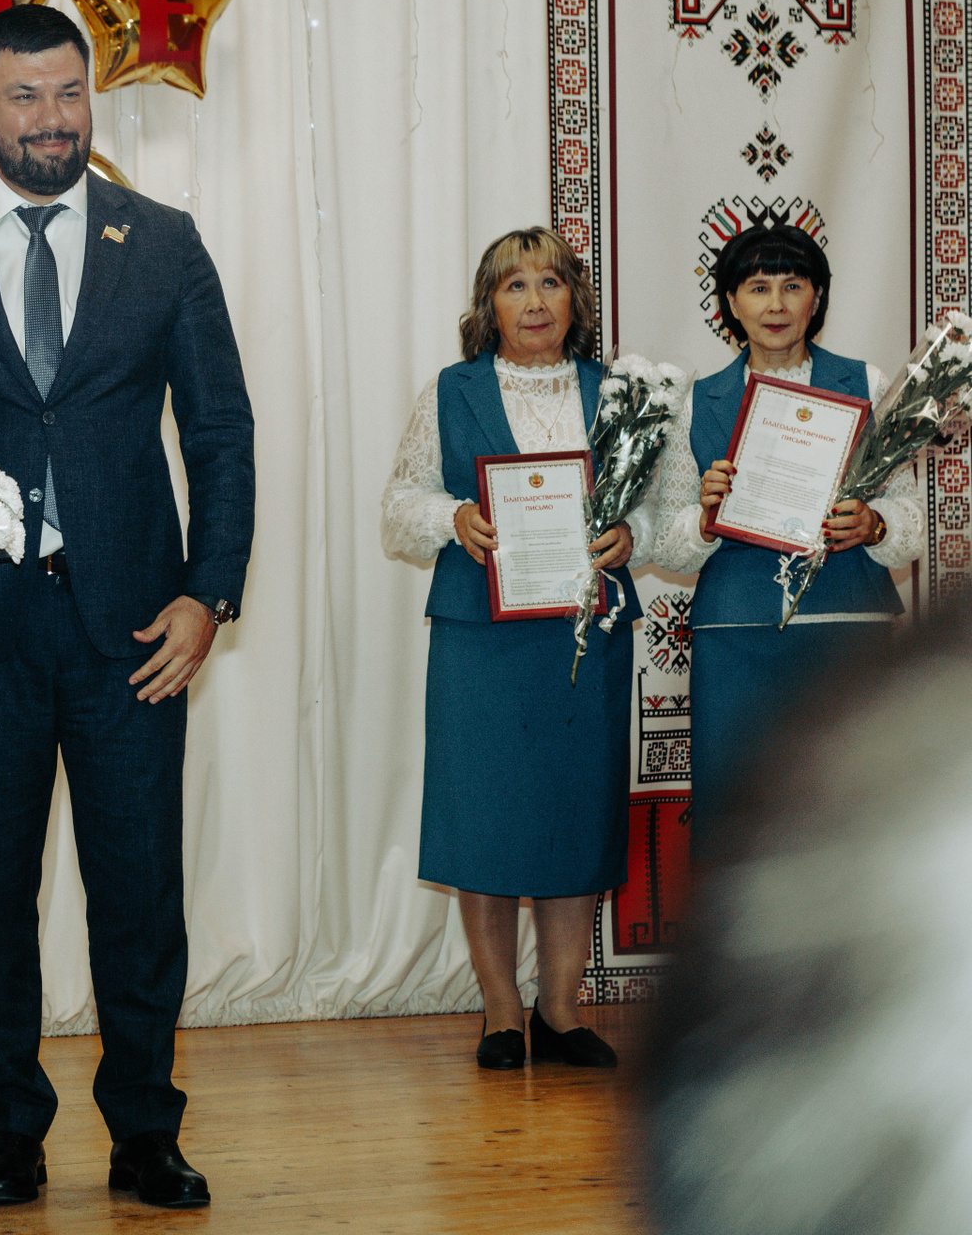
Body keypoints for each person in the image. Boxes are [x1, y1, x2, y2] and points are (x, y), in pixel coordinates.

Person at [0, 2, 254, 1212]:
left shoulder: (164, 241)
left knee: (141, 894)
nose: (51, 120)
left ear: (92, 96)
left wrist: (208, 594)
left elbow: (221, 431)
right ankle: (11, 1130)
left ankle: (146, 1129)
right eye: (25, 96)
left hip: (137, 633)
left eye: (69, 93)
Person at [381, 227, 643, 1071]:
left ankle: (560, 1010)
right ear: (488, 305)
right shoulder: (450, 391)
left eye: (551, 283)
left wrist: (632, 536)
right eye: (514, 285)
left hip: (585, 633)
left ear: (576, 300)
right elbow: (400, 507)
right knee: (485, 818)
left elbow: (664, 508)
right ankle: (500, 1010)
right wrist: (452, 517)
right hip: (481, 640)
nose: (535, 301)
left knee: (576, 815)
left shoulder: (622, 394)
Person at [640, 600, 972, 1235]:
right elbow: (677, 541)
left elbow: (898, 538)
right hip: (738, 621)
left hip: (841, 616)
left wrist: (868, 536)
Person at [647, 224, 921, 842]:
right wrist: (706, 518)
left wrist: (875, 524)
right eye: (758, 287)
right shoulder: (697, 402)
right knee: (736, 826)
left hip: (848, 637)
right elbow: (668, 545)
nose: (776, 304)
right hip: (736, 641)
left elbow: (909, 523)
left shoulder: (868, 384)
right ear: (730, 302)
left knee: (855, 822)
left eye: (793, 285)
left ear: (817, 298)